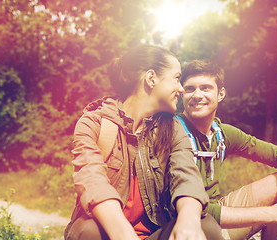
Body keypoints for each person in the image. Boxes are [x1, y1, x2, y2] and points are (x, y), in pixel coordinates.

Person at [64, 45, 223, 240]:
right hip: (112, 234)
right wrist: (124, 235)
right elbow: (92, 181)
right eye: (176, 78)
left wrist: (188, 221)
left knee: (208, 227)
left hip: (153, 234)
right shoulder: (93, 122)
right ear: (151, 78)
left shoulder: (173, 128)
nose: (181, 89)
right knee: (89, 231)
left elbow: (187, 176)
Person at [177, 59, 277, 240]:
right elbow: (190, 208)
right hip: (189, 221)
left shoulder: (222, 133)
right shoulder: (172, 131)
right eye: (189, 89)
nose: (196, 95)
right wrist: (275, 212)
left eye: (205, 88)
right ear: (181, 94)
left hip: (217, 212)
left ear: (221, 94)